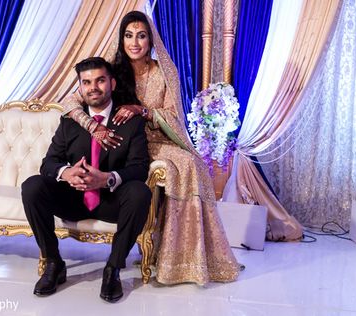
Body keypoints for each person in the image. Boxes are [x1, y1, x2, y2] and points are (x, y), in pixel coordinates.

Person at [62, 11, 241, 285]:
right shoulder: (110, 71)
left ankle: (185, 259)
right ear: (121, 39)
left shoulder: (165, 72)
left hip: (159, 140)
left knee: (192, 166)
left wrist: (143, 110)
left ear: (151, 40)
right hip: (124, 143)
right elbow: (70, 103)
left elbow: (173, 115)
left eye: (141, 36)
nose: (135, 42)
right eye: (129, 35)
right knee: (182, 166)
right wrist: (93, 126)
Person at [22, 57, 151, 302]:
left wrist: (107, 179)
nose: (93, 87)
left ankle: (113, 268)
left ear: (111, 83)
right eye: (87, 82)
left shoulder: (130, 122)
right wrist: (66, 173)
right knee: (32, 186)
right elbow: (48, 164)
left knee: (139, 192)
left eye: (100, 80)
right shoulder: (70, 122)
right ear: (80, 89)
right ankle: (53, 263)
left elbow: (139, 169)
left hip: (111, 201)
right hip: (74, 199)